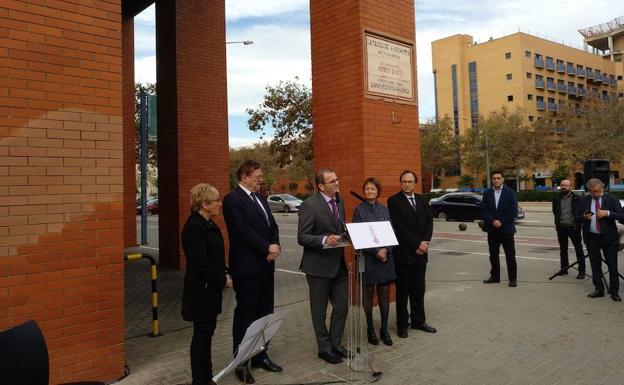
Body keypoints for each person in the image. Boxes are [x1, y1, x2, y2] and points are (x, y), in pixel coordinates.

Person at [222, 160, 282, 384]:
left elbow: (272, 227)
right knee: (246, 316)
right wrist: (266, 247)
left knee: (265, 313)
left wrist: (274, 246)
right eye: (257, 175)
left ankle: (260, 355)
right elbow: (241, 231)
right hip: (247, 268)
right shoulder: (232, 200)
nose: (261, 179)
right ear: (245, 176)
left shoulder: (261, 199)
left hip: (266, 265)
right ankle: (241, 361)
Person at [297, 169, 350, 365]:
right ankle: (324, 348)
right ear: (321, 186)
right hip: (318, 267)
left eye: (337, 179)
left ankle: (336, 344)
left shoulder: (339, 200)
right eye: (333, 181)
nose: (337, 183)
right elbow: (302, 237)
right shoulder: (309, 205)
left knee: (342, 306)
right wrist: (325, 239)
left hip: (339, 265)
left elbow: (339, 226)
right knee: (319, 312)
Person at [181, 183, 229, 385]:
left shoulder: (209, 224)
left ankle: (206, 377)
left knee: (207, 334)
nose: (220, 204)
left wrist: (225, 271)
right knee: (202, 336)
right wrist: (222, 279)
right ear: (205, 204)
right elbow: (200, 265)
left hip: (210, 291)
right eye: (216, 201)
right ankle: (200, 380)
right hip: (201, 292)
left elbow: (216, 257)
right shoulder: (194, 227)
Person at [387, 170, 435, 339]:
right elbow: (398, 227)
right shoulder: (393, 201)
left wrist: (425, 243)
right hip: (405, 254)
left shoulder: (423, 200)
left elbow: (429, 222)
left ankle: (419, 321)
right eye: (404, 181)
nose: (407, 184)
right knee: (403, 291)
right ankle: (402, 325)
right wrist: (416, 244)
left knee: (419, 289)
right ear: (400, 183)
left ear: (415, 183)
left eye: (410, 181)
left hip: (422, 253)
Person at [352, 177, 396, 346]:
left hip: (385, 258)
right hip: (368, 259)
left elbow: (391, 233)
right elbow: (358, 236)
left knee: (384, 292)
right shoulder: (359, 210)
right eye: (367, 189)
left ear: (378, 191)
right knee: (368, 293)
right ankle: (370, 328)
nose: (370, 191)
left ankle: (384, 329)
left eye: (373, 189)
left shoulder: (384, 210)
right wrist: (376, 251)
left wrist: (386, 250)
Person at [574, 178, 624, 302]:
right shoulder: (584, 199)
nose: (595, 194)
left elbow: (622, 217)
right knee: (595, 265)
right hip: (592, 237)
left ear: (603, 188)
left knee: (612, 266)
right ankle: (599, 289)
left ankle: (614, 291)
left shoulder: (612, 199)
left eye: (597, 191)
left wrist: (608, 213)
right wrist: (584, 217)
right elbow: (576, 216)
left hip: (609, 238)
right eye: (592, 192)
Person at [481, 171, 518, 287]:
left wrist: (501, 221)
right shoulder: (487, 193)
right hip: (492, 230)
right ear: (492, 180)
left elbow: (513, 211)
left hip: (506, 229)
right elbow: (483, 209)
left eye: (498, 178)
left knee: (510, 255)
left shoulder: (510, 192)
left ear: (503, 179)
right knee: (493, 255)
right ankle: (495, 277)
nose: (496, 180)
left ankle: (512, 278)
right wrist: (493, 221)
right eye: (494, 178)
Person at [552, 179, 586, 279]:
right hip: (561, 227)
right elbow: (555, 212)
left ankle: (582, 271)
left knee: (578, 249)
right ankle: (564, 269)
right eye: (562, 185)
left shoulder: (577, 198)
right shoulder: (557, 198)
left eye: (566, 185)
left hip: (573, 228)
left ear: (570, 187)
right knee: (563, 249)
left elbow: (582, 212)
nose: (563, 187)